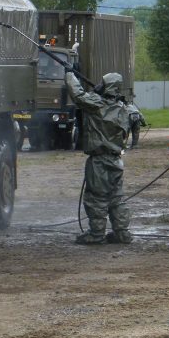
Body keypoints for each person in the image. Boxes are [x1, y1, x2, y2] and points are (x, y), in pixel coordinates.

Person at [66, 71, 133, 244]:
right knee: (116, 198)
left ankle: (96, 234)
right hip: (116, 160)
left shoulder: (97, 104)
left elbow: (78, 96)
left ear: (107, 87)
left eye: (102, 83)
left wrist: (69, 73)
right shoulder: (123, 108)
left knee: (96, 198)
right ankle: (122, 232)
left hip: (99, 161)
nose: (98, 85)